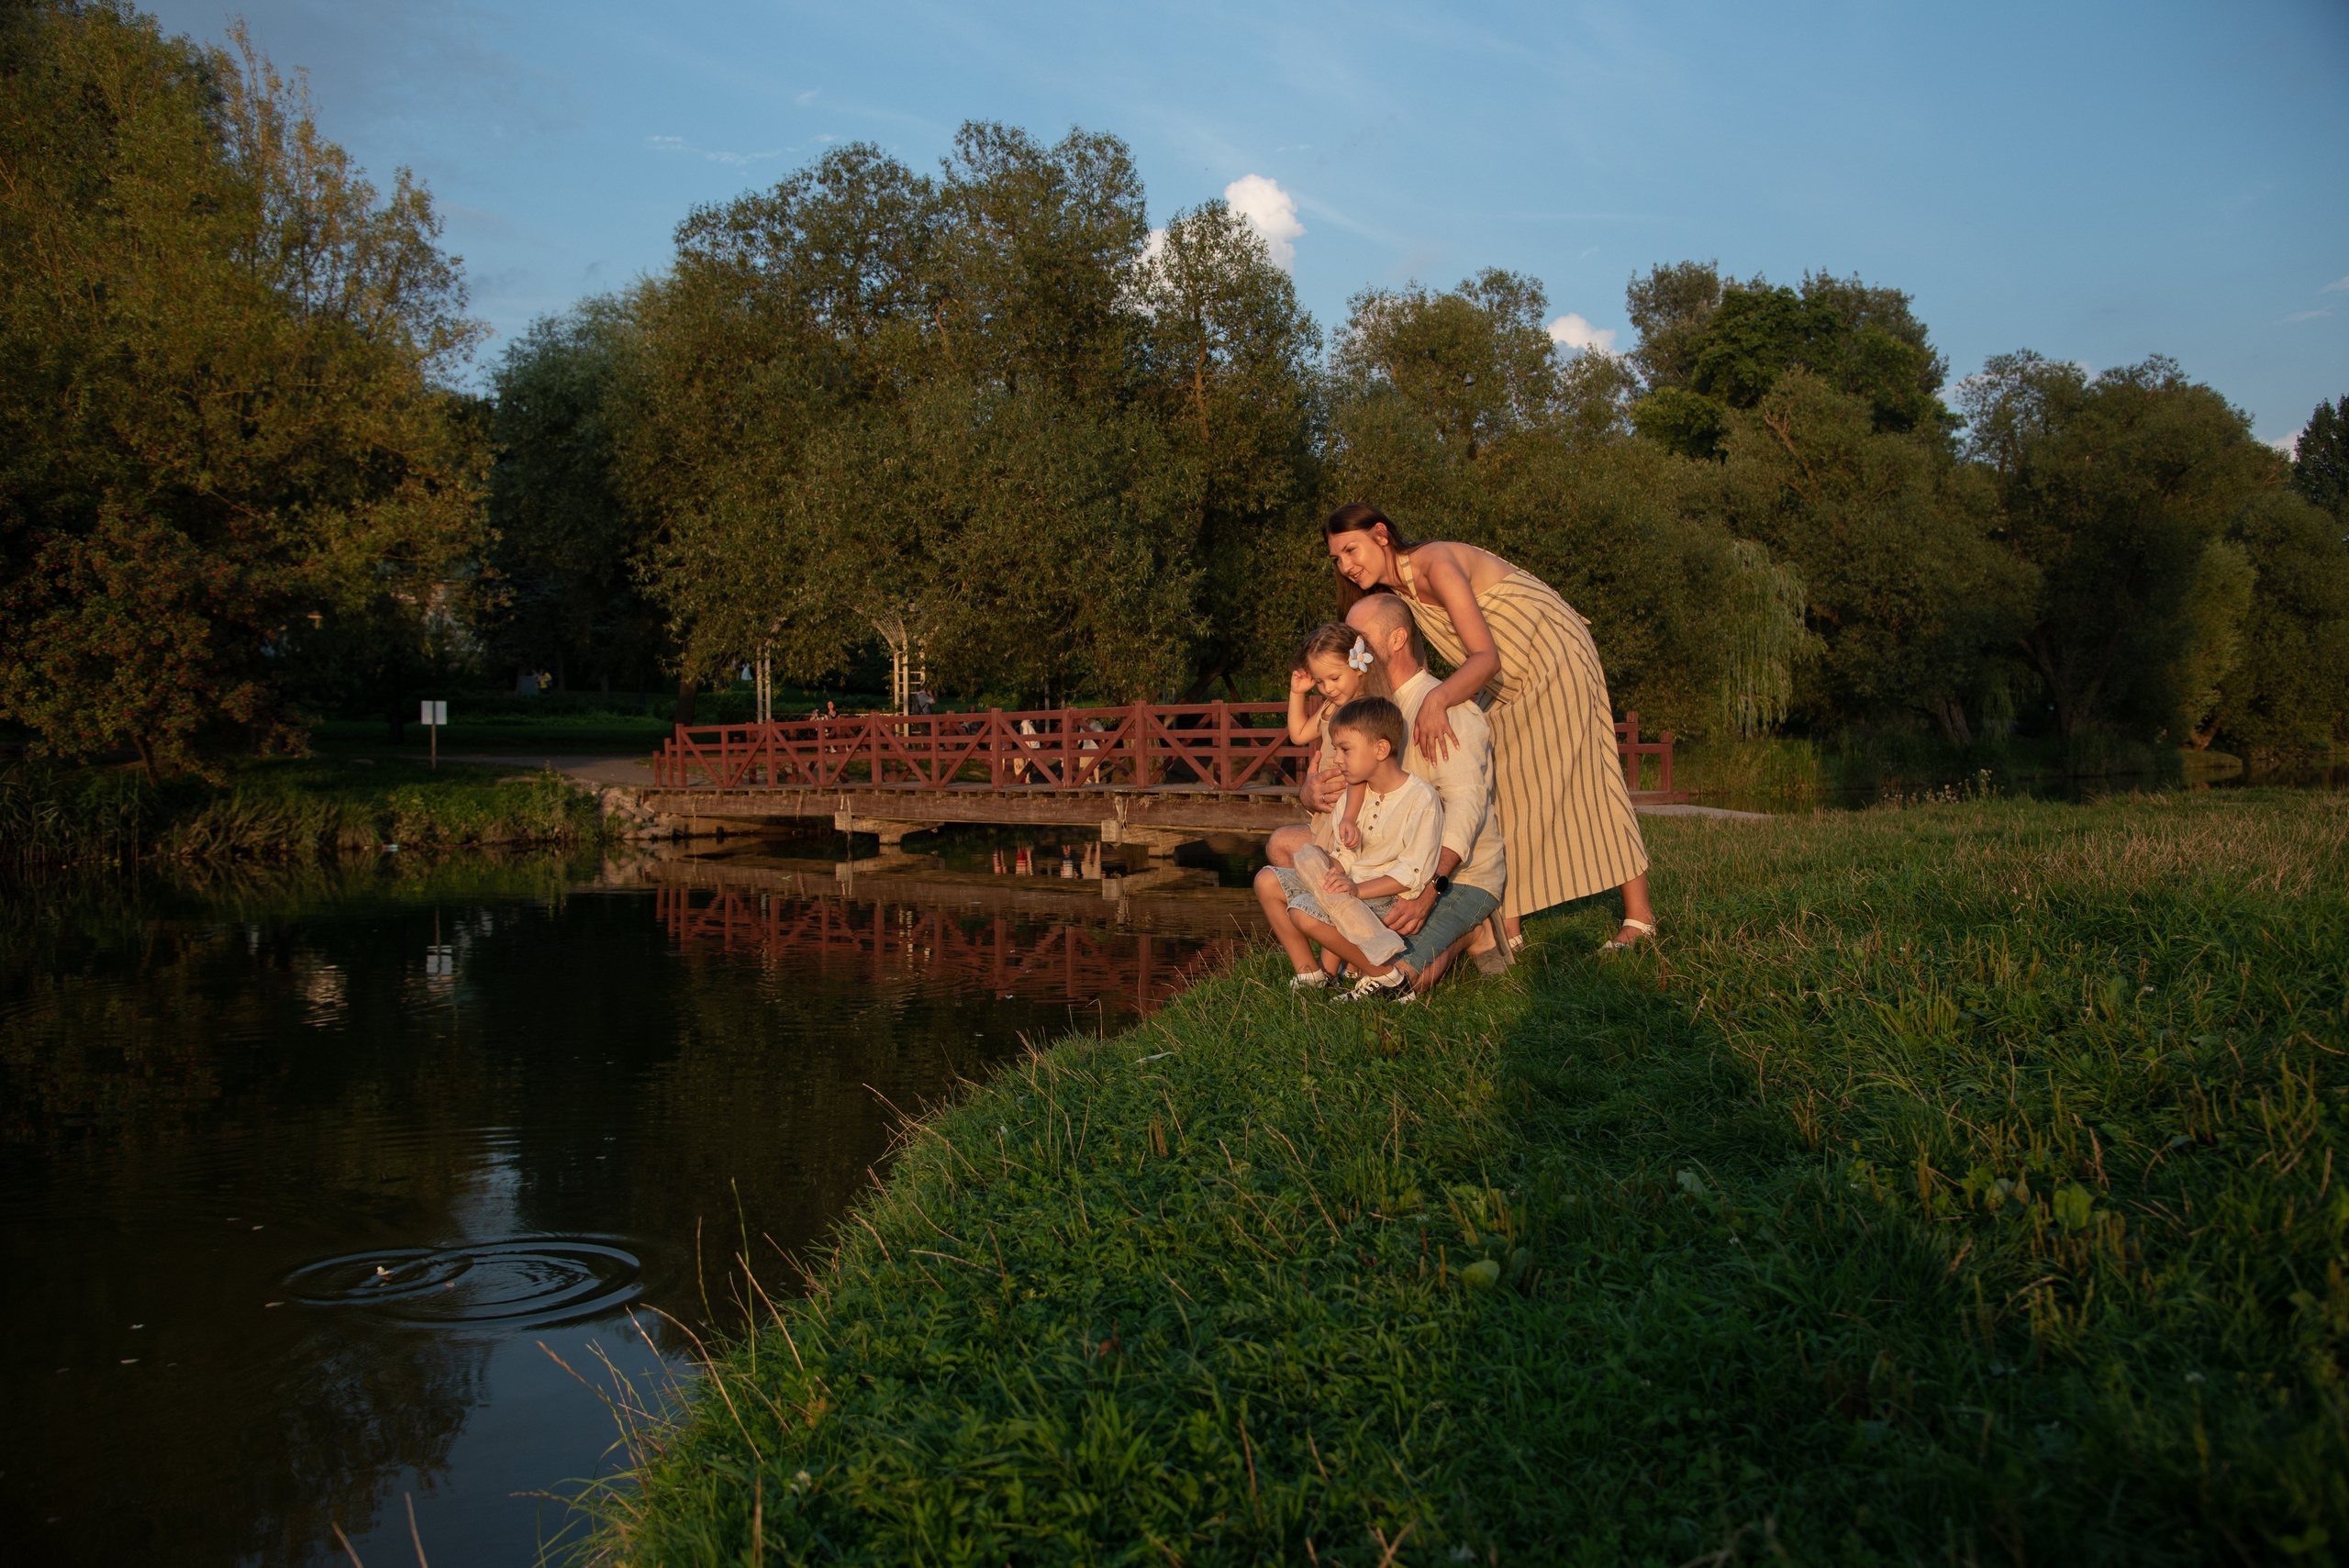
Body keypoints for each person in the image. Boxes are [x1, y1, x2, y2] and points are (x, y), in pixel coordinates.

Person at [1322, 502, 1655, 953]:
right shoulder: (1394, 599)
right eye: (1337, 559)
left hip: (1551, 654)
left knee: (1591, 778)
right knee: (1503, 788)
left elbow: (1485, 655)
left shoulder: (1435, 564)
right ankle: (1508, 927)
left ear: (1381, 534)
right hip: (1504, 680)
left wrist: (1438, 698)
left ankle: (1640, 919)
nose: (1346, 565)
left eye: (1351, 549)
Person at [1341, 592, 1508, 991]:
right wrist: (1312, 792)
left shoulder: (1445, 710)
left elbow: (1465, 808)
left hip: (1457, 874)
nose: (1353, 651)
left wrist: (1429, 890)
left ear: (1397, 639)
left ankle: (1474, 931)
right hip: (1392, 863)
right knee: (1282, 846)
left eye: (1360, 638)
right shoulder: (1369, 707)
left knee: (1402, 981)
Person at [1252, 696, 1442, 1005]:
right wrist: (1330, 863)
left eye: (1345, 749)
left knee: (1302, 911)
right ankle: (1310, 975)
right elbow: (1347, 857)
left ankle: (1387, 976)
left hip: (1385, 896)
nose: (1337, 759)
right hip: (1350, 885)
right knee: (1266, 880)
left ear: (1380, 749)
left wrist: (1355, 889)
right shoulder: (1356, 797)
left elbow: (1411, 875)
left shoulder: (1420, 799)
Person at [1284, 622, 1379, 854]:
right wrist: (1297, 692)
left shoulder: (1364, 709)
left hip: (1350, 809)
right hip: (1328, 810)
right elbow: (1298, 734)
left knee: (1332, 866)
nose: (1328, 688)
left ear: (1358, 666)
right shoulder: (1330, 707)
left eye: (1335, 678)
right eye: (1319, 682)